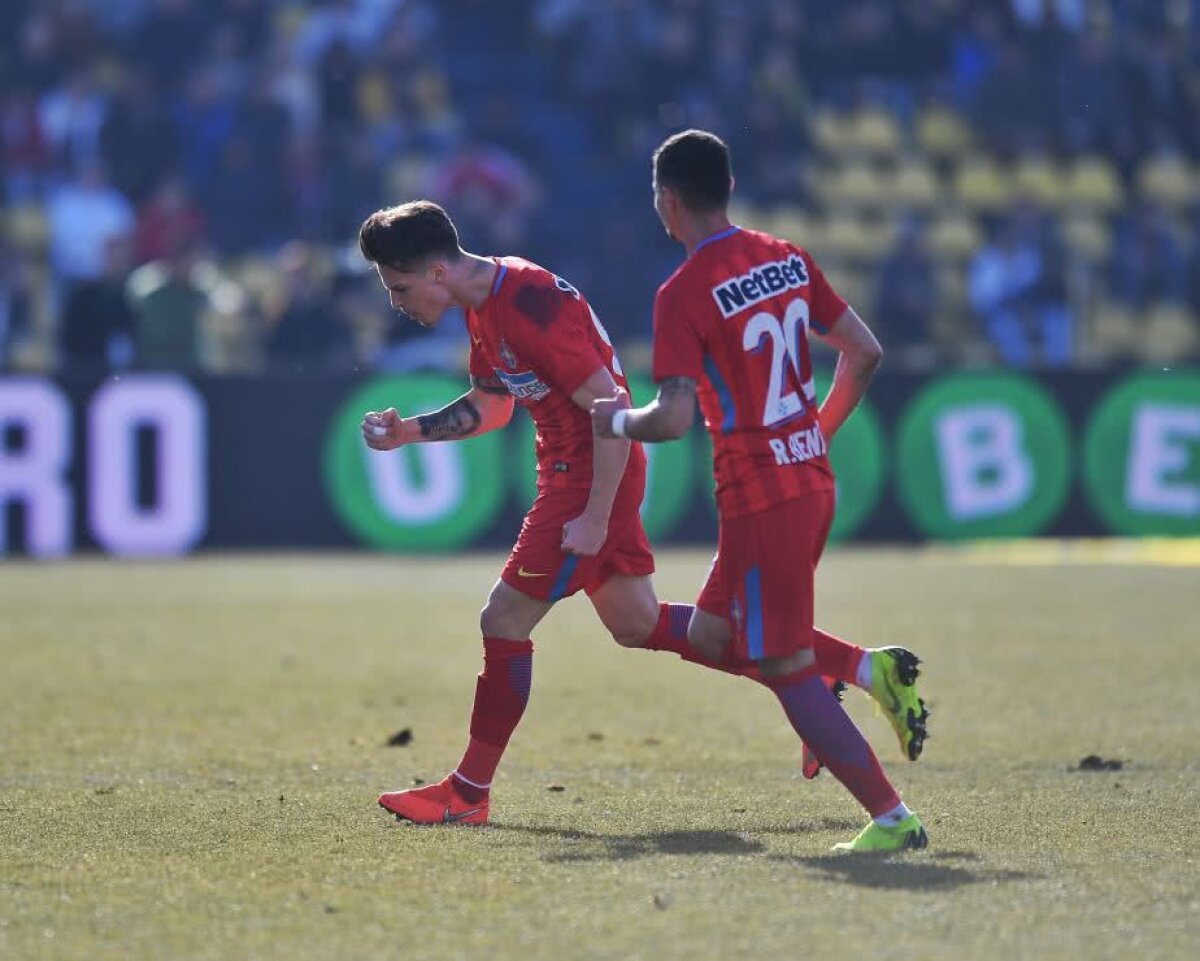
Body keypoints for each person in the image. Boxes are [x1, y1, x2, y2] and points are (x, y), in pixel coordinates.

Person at [358, 201, 924, 829]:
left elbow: (612, 408)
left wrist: (596, 516)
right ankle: (860, 667)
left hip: (589, 476)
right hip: (582, 473)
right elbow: (493, 407)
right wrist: (409, 431)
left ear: (435, 272)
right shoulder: (486, 308)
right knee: (638, 622)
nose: (396, 302)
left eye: (399, 286)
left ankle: (467, 794)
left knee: (504, 618)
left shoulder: (526, 301)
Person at [591, 130, 929, 853]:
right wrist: (816, 431)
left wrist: (614, 417)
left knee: (784, 667)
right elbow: (864, 352)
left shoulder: (681, 292)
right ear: (731, 186)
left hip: (760, 497)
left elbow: (675, 418)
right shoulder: (787, 257)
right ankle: (870, 669)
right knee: (717, 634)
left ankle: (893, 816)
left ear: (667, 202)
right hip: (808, 479)